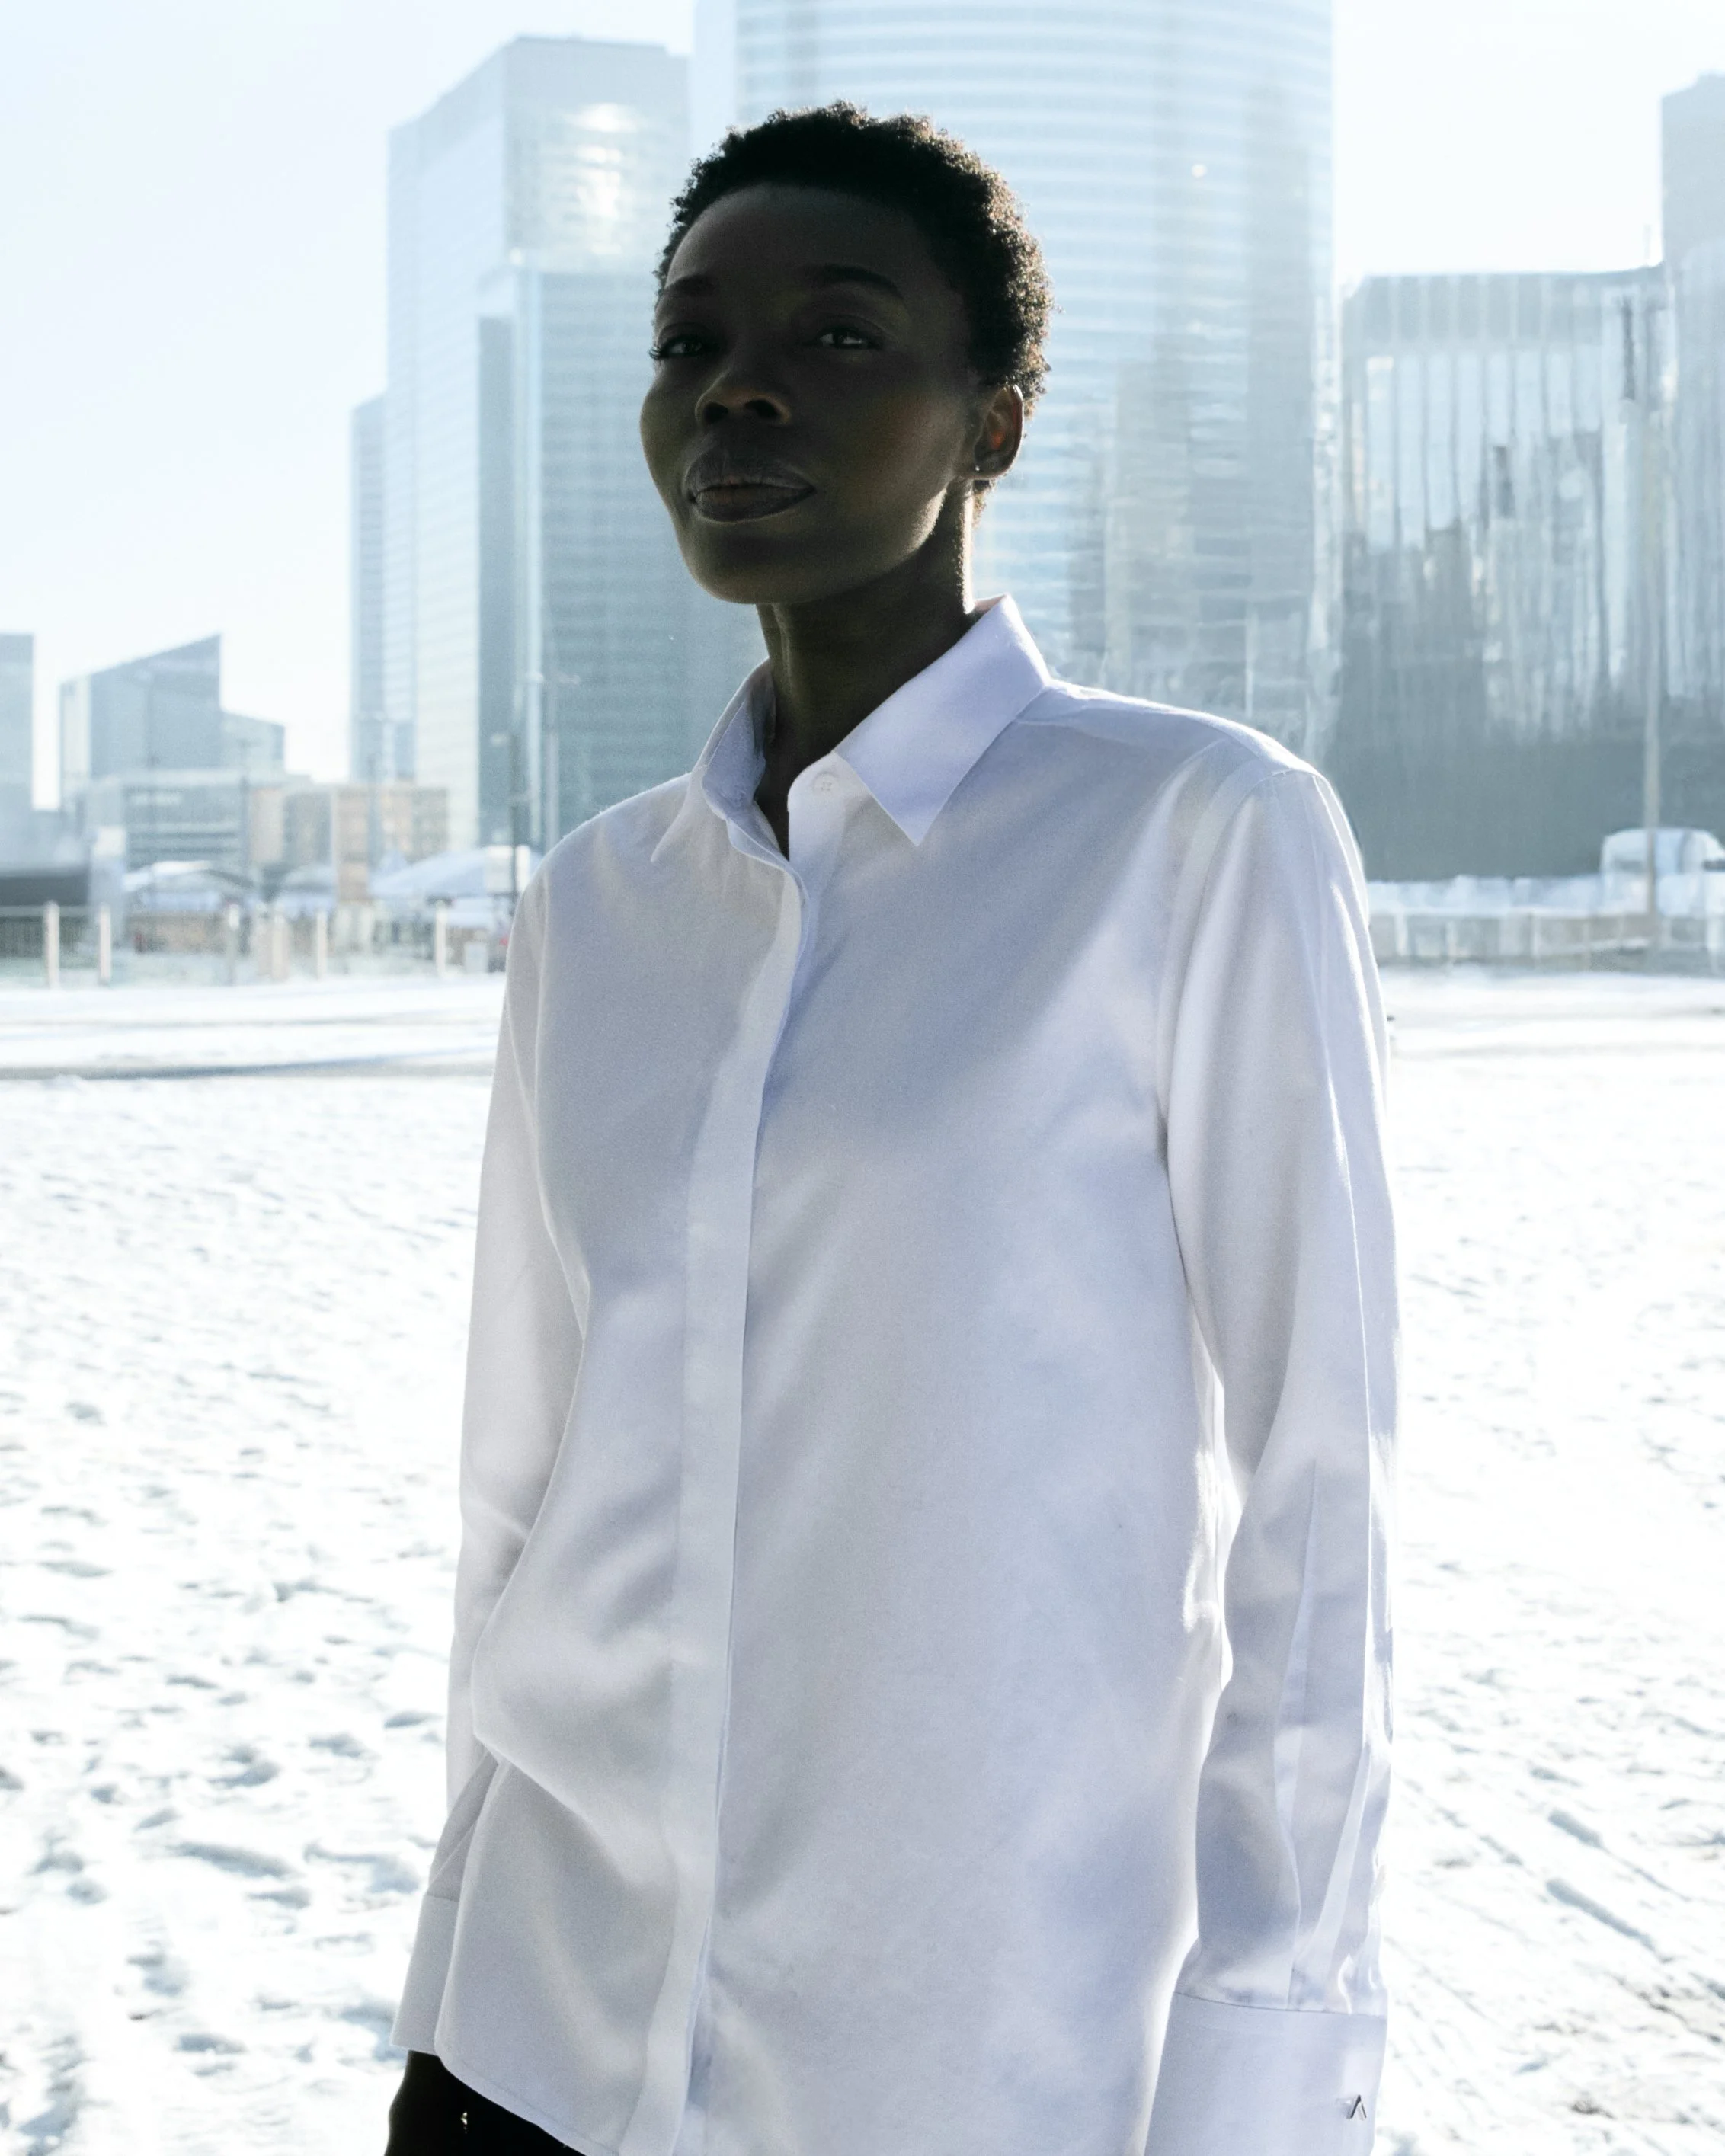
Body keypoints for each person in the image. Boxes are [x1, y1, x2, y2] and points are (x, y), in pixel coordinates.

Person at [386, 103, 1395, 2156]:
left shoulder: (1197, 834)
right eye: (691, 341)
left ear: (994, 425)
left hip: (964, 2058)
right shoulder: (597, 902)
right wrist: (444, 1969)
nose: (736, 386)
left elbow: (1319, 1496)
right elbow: (524, 1472)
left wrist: (1268, 2059)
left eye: (837, 334)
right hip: (531, 2039)